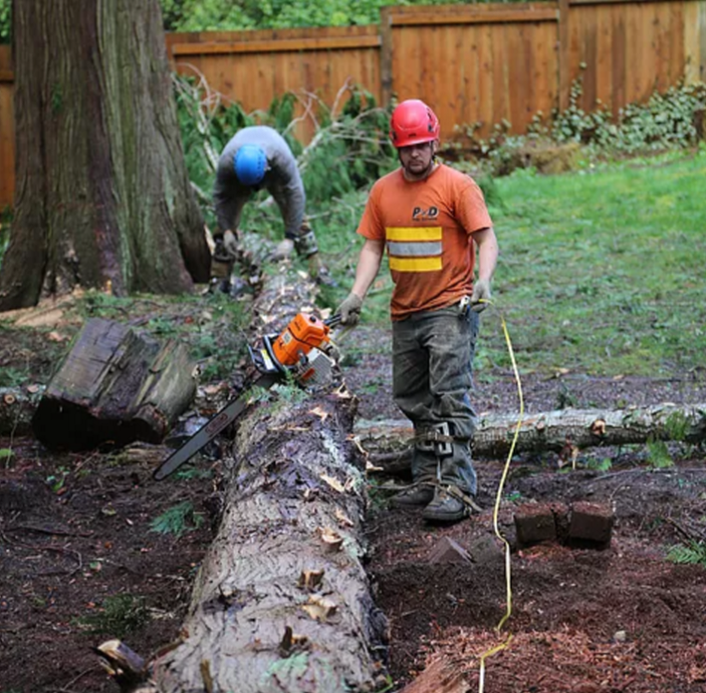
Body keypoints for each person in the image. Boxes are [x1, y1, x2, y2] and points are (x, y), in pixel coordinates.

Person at [337, 99, 499, 523]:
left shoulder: (457, 187)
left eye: (423, 145)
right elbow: (373, 246)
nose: (416, 153)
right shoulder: (383, 191)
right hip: (405, 312)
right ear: (396, 147)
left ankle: (457, 486)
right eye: (408, 147)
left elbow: (486, 239)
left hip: (450, 308)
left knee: (448, 397)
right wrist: (356, 294)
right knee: (413, 397)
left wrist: (484, 280)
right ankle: (428, 476)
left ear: (435, 141)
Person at [211, 125, 328, 289]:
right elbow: (220, 196)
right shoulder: (227, 163)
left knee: (296, 216)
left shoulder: (281, 159)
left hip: (272, 174)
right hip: (240, 178)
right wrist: (227, 231)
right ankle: (219, 279)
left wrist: (290, 238)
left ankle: (317, 269)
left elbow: (295, 196)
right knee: (226, 220)